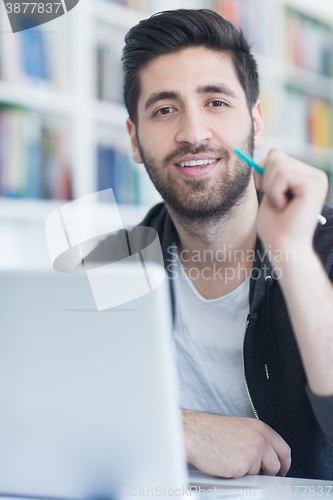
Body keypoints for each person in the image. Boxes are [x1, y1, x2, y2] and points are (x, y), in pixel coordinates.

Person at [86, 9, 333, 479]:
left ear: (256, 123)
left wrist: (294, 255)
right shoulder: (111, 264)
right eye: (164, 109)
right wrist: (182, 428)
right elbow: (57, 405)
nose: (193, 133)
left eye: (216, 102)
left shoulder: (322, 246)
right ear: (135, 141)